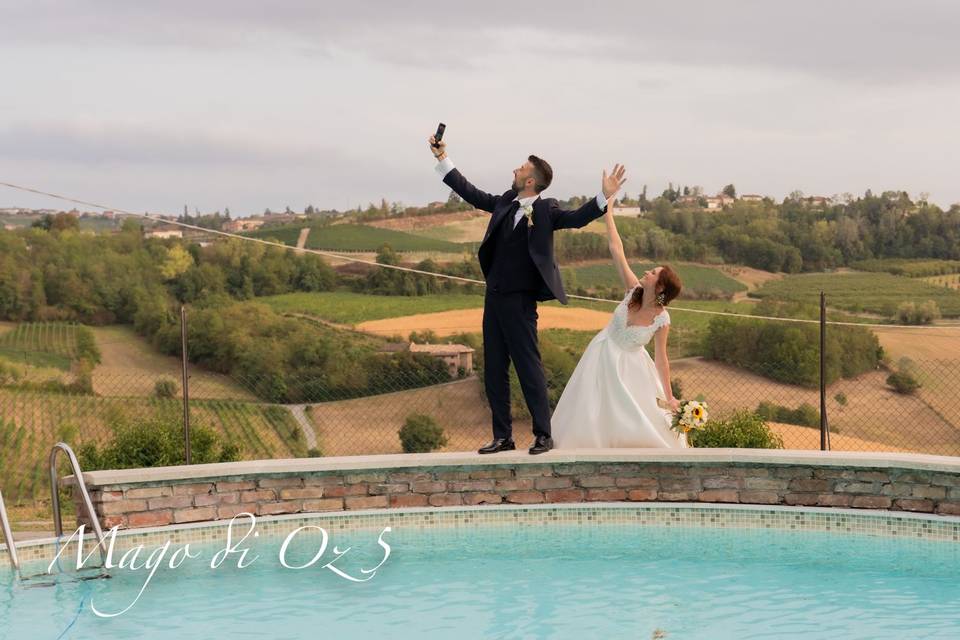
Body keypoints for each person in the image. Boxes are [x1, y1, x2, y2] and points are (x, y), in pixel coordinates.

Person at [428, 133, 625, 454]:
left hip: (521, 302)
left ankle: (543, 435)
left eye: (520, 168)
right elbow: (472, 194)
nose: (515, 171)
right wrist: (442, 159)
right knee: (494, 368)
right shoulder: (505, 201)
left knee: (528, 367)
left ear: (531, 180)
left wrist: (603, 198)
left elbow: (577, 220)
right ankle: (503, 436)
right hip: (493, 298)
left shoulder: (546, 209)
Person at [550, 203, 687, 449]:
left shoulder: (662, 320)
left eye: (653, 272)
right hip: (600, 353)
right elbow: (616, 249)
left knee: (630, 415)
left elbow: (662, 359)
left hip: (630, 368)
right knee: (589, 406)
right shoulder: (632, 290)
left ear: (661, 287)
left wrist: (669, 396)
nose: (647, 271)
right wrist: (609, 211)